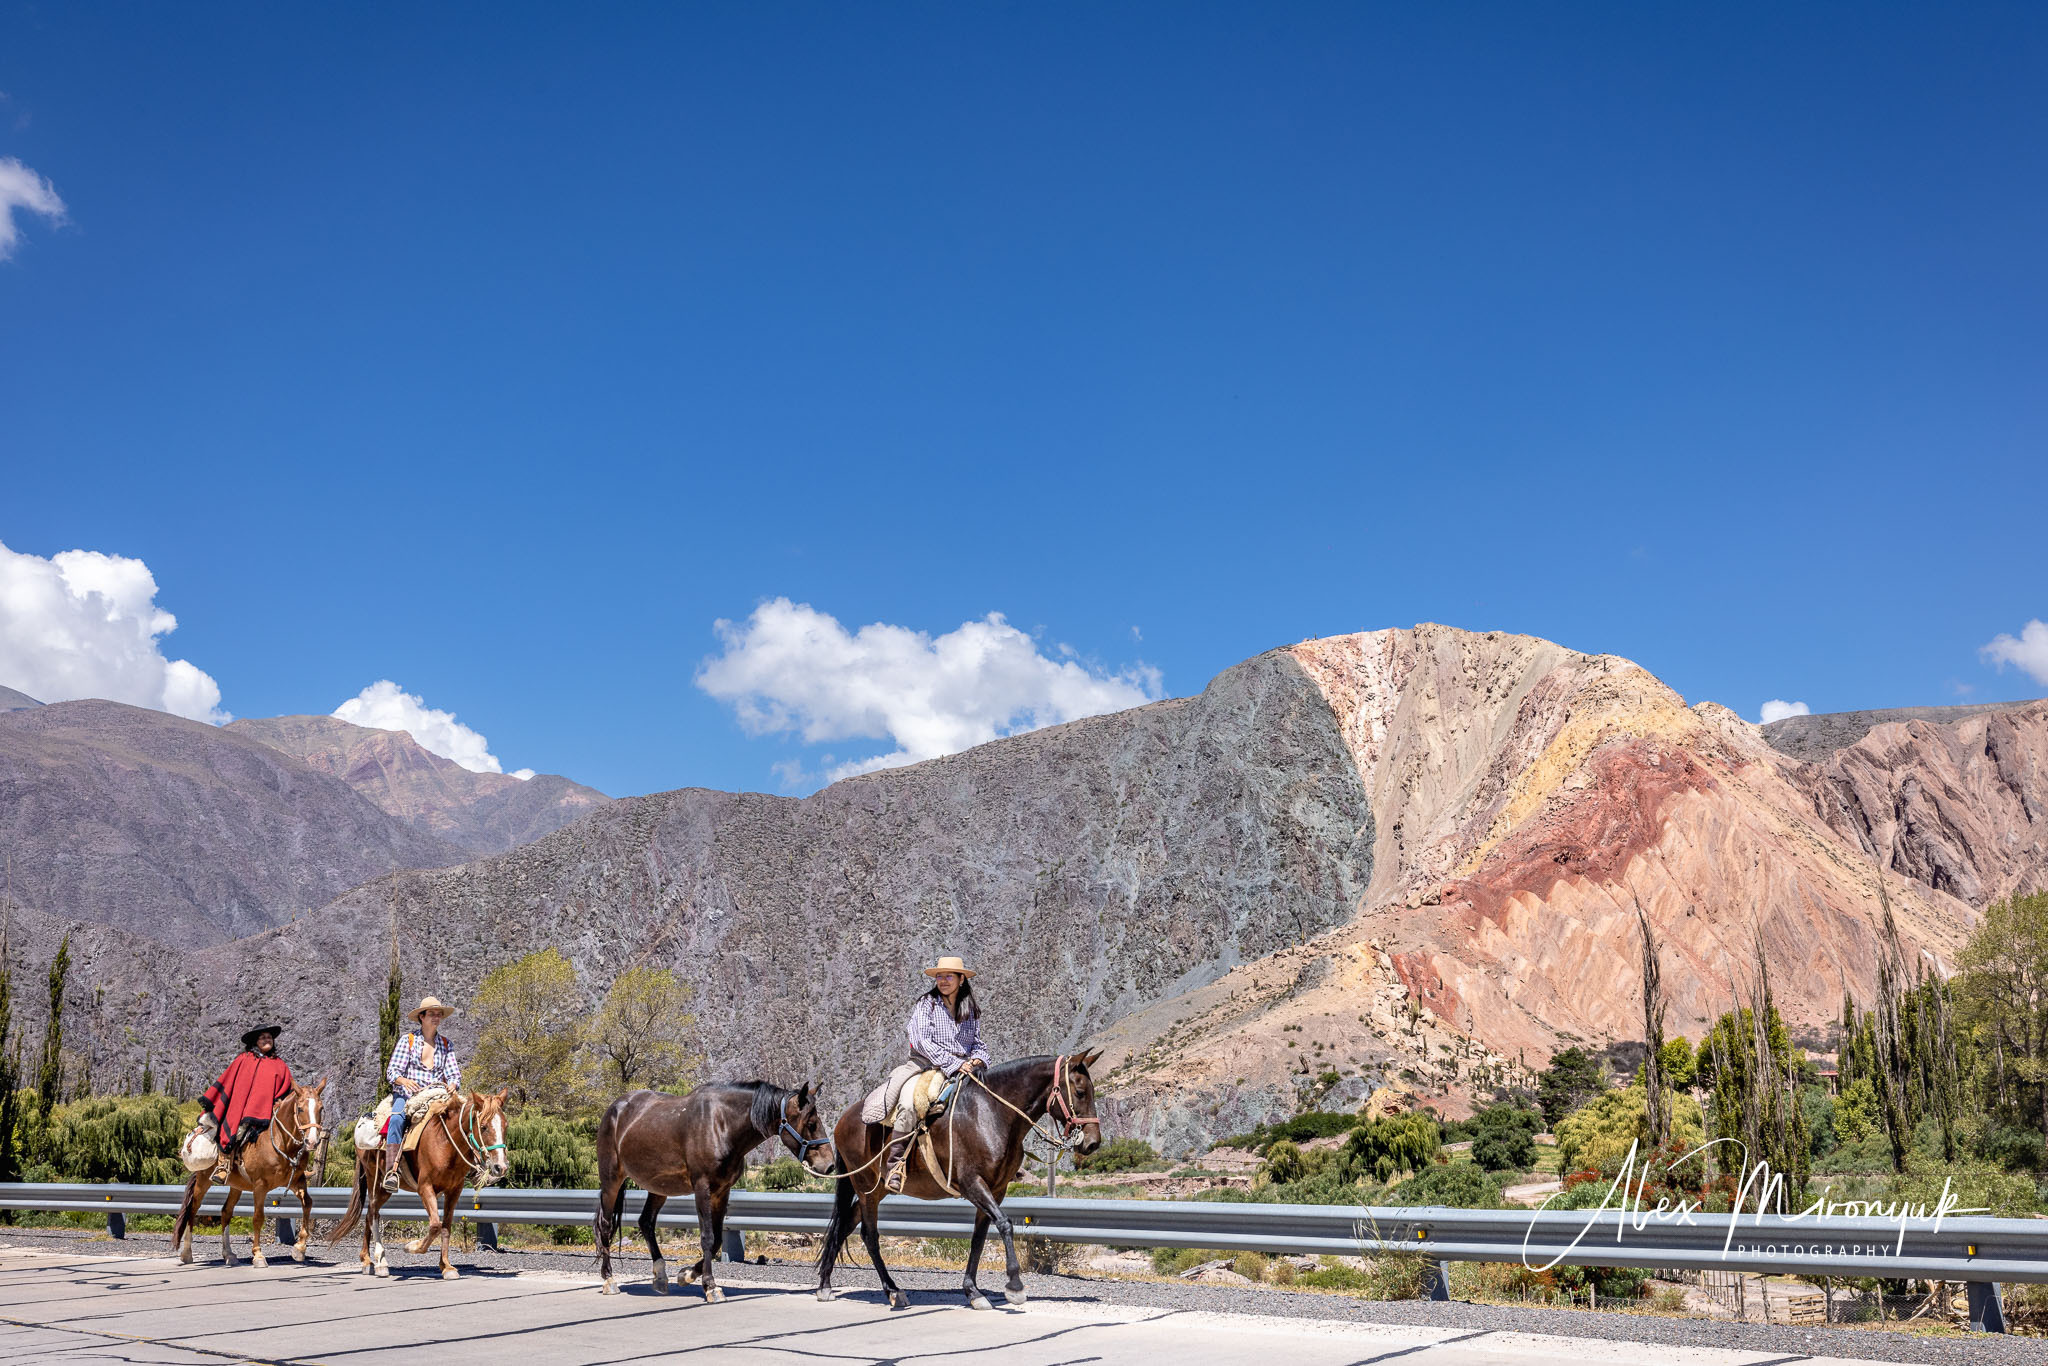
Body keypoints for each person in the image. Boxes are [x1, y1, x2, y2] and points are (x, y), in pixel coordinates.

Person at [884, 955, 991, 1193]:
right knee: (910, 1103)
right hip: (926, 1066)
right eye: (940, 976)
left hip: (964, 1067)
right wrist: (953, 1063)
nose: (943, 981)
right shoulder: (927, 1004)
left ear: (961, 980)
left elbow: (978, 1043)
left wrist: (977, 1059)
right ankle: (895, 1165)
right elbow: (922, 1041)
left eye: (948, 976)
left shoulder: (969, 1009)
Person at [381, 996, 464, 1192]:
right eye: (432, 1014)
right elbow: (392, 1072)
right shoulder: (408, 1041)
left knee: (466, 1115)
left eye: (439, 1014)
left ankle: (474, 1165)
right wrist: (404, 1081)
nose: (436, 1018)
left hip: (436, 1094)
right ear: (422, 1017)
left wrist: (453, 1083)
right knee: (396, 1118)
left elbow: (454, 1073)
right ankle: (392, 1170)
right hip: (409, 1095)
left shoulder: (446, 1044)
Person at [201, 1024, 294, 1184]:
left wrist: (280, 1103)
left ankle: (295, 1168)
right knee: (235, 1132)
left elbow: (287, 1087)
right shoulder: (243, 1060)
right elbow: (229, 1081)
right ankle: (223, 1167)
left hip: (270, 1111)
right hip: (242, 1111)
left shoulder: (280, 1064)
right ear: (255, 1041)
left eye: (269, 1037)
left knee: (292, 1132)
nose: (267, 1040)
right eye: (263, 1037)